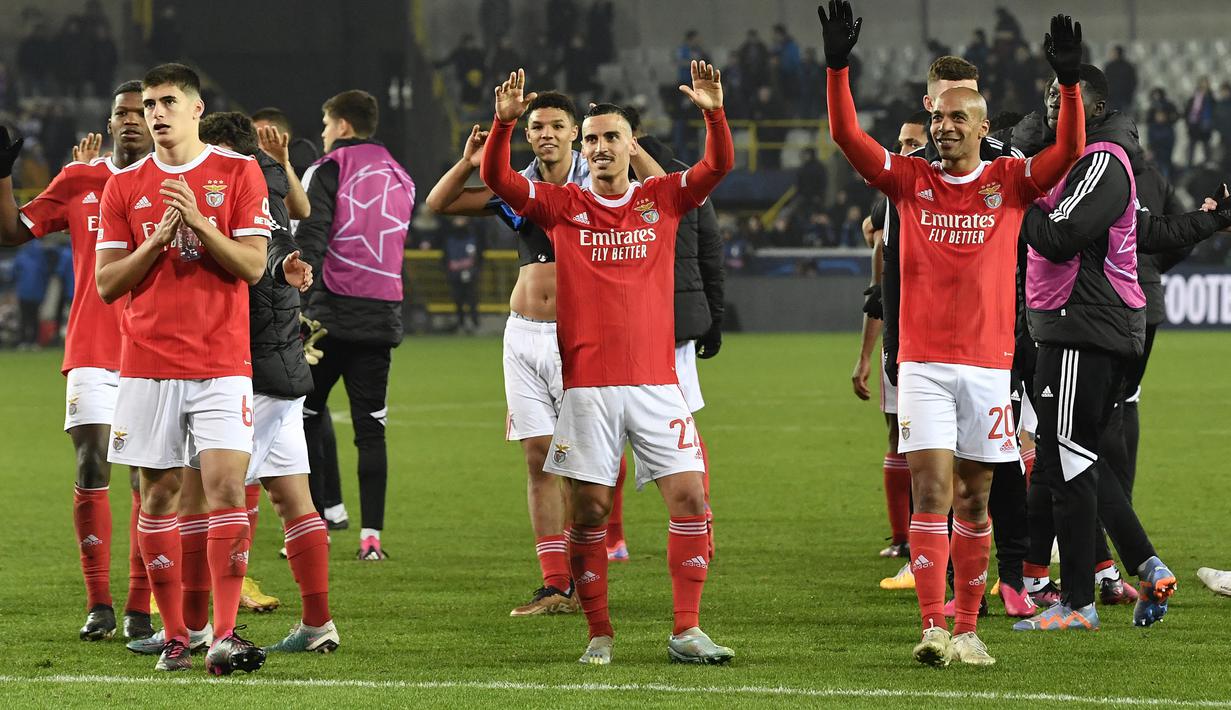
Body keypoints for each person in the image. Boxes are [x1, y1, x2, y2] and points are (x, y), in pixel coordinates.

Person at [821, 1, 1085, 666]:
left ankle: (968, 628)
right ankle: (934, 625)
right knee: (933, 491)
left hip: (988, 366)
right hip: (924, 367)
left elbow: (1071, 150)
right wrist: (836, 68)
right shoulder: (908, 181)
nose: (941, 127)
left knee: (973, 496)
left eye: (954, 117)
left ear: (982, 125)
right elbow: (847, 138)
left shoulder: (1009, 181)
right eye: (936, 117)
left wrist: (1070, 86)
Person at [480, 63, 734, 665]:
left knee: (692, 500)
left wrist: (714, 113)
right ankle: (599, 631)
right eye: (589, 139)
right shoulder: (563, 205)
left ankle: (687, 630)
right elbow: (494, 178)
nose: (598, 147)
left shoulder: (661, 200)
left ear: (630, 146)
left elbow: (717, 167)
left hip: (656, 385)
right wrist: (502, 125)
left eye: (609, 137)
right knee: (590, 511)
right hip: (587, 389)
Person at [1008, 65, 1231, 632]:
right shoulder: (1094, 163)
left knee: (1066, 465)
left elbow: (1060, 236)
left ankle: (1078, 602)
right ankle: (1145, 564)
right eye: (1051, 105)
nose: (1055, 114)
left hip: (1083, 328)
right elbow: (1147, 232)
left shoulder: (1101, 162)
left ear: (1096, 110)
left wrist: (1012, 198)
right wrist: (1209, 223)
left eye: (1067, 105)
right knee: (1078, 458)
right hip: (1084, 325)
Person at [426, 91, 660, 614]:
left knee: (585, 468)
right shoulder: (518, 188)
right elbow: (439, 203)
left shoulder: (600, 181)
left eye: (557, 125)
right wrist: (469, 160)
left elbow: (658, 197)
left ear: (576, 133)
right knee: (538, 459)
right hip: (523, 334)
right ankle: (556, 585)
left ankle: (587, 577)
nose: (546, 134)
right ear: (526, 134)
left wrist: (632, 145)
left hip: (582, 335)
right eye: (537, 127)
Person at [95, 63, 271, 674]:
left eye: (169, 101)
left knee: (225, 488)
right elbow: (107, 284)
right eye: (149, 105)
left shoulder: (238, 172)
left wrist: (197, 220)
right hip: (146, 366)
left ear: (197, 109)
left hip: (222, 362)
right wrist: (155, 242)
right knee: (159, 493)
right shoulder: (125, 186)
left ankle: (222, 634)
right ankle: (176, 637)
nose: (157, 113)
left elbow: (251, 267)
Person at [0, 82, 156, 642]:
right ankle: (99, 605)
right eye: (123, 113)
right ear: (110, 122)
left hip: (154, 351)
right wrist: (2, 174)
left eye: (143, 111)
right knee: (93, 462)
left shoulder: (174, 183)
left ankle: (141, 606)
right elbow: (12, 230)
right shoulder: (79, 180)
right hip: (92, 345)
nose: (133, 120)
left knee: (149, 478)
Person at [197, 112, 338, 654]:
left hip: (249, 368)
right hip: (284, 367)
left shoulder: (233, 187)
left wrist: (278, 269)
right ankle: (317, 623)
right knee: (292, 499)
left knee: (213, 498)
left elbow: (263, 259)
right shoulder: (271, 185)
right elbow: (287, 230)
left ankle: (205, 627)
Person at [296, 90, 415, 561]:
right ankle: (371, 539)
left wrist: (299, 308)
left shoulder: (327, 169)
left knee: (304, 418)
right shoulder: (401, 175)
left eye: (326, 124)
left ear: (342, 125)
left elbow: (312, 239)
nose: (324, 134)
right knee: (371, 431)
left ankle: (316, 525)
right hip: (380, 318)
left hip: (326, 319)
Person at [852, 110, 928, 574]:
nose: (905, 152)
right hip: (904, 336)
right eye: (901, 142)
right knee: (902, 435)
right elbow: (880, 290)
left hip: (940, 337)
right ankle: (908, 540)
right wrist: (865, 354)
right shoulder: (891, 194)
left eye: (914, 144)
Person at [1103, 45, 1137, 115]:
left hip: (1122, 97)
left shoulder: (1127, 67)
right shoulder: (1110, 66)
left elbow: (1132, 82)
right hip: (1114, 98)